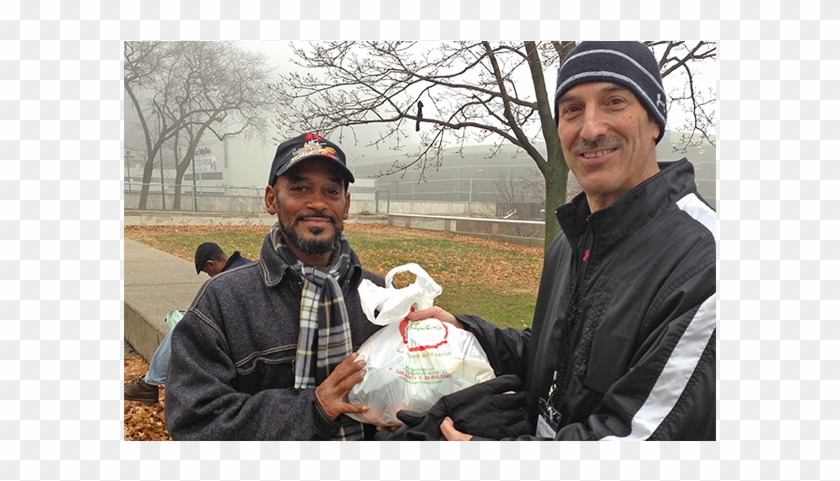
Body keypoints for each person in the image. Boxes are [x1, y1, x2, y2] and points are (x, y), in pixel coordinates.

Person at [405, 41, 717, 441]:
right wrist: (468, 331)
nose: (590, 129)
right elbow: (557, 357)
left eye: (614, 102)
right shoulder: (572, 240)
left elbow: (637, 437)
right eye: (572, 110)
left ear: (654, 120)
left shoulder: (705, 263)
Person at [165, 133, 385, 440]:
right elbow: (194, 419)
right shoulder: (224, 301)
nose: (318, 202)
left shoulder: (381, 297)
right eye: (299, 188)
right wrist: (313, 409)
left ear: (345, 204)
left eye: (331, 190)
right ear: (272, 199)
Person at [123, 243, 252, 404]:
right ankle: (149, 383)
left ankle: (149, 384)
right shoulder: (244, 266)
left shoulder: (228, 279)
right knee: (185, 324)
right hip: (242, 326)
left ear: (211, 264)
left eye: (207, 271)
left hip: (245, 334)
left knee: (183, 329)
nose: (209, 276)